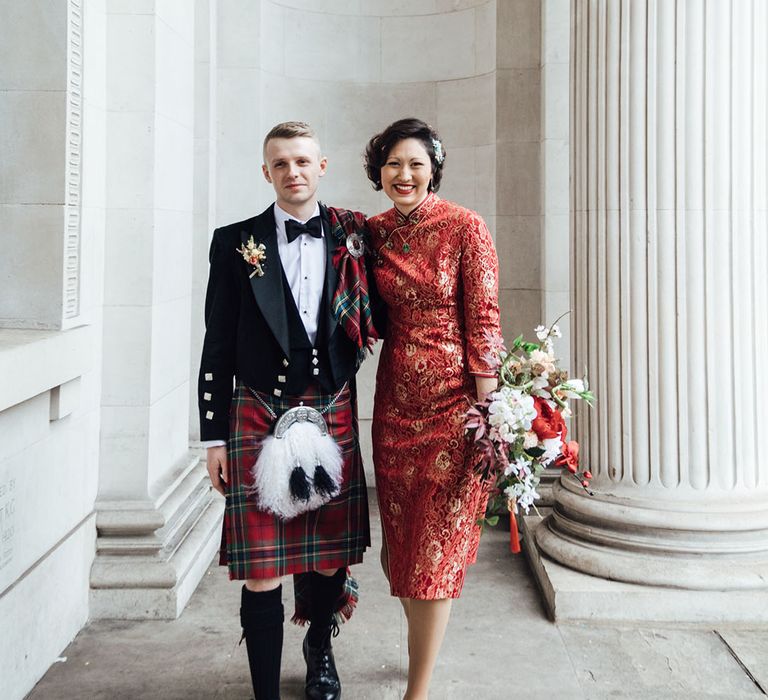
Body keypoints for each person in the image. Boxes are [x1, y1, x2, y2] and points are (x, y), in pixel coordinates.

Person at [199, 121, 378, 700]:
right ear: (266, 172)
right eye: (281, 163)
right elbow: (217, 343)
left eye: (303, 161)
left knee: (328, 558)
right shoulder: (235, 242)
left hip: (333, 408)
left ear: (321, 166)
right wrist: (212, 438)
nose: (293, 172)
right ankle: (265, 692)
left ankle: (320, 649)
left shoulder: (356, 234)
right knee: (262, 568)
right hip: (256, 410)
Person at [364, 118, 502, 700]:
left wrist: (489, 407)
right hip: (394, 403)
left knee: (435, 547)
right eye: (394, 163)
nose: (405, 174)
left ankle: (416, 692)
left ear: (434, 168)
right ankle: (420, 653)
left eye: (416, 163)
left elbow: (486, 317)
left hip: (453, 409)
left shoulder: (466, 227)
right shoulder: (369, 233)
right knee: (403, 541)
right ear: (379, 171)